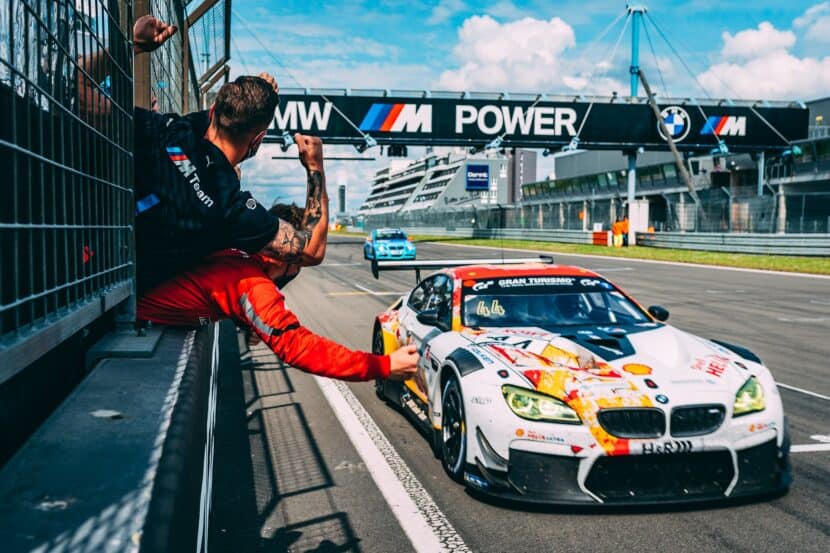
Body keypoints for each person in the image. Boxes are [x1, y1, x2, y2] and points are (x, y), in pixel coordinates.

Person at [80, 15, 327, 294]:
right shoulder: (229, 207)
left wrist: (132, 44)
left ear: (214, 111)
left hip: (76, 258)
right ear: (257, 139)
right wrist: (315, 167)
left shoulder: (166, 129)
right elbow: (312, 249)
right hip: (114, 295)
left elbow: (80, 89)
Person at [136, 205, 419, 381]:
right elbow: (297, 347)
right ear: (286, 253)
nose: (297, 271)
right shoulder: (250, 280)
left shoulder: (239, 254)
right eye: (299, 262)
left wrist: (246, 321)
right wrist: (384, 365)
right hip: (135, 328)